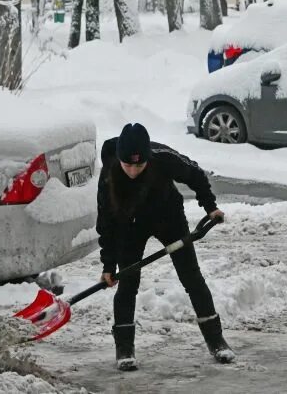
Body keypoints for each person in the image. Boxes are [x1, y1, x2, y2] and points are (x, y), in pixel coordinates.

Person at [96, 123, 234, 371]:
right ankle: (124, 348)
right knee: (128, 283)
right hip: (130, 225)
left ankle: (216, 340)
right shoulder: (109, 173)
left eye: (140, 165)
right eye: (128, 164)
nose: (133, 171)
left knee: (192, 278)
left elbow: (196, 175)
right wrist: (108, 264)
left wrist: (210, 207)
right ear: (119, 158)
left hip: (168, 218)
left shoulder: (163, 158)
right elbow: (106, 221)